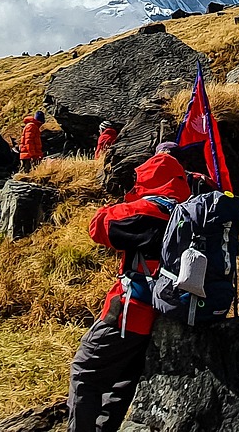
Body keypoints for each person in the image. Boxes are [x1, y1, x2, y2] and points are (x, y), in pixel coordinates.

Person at [68, 150, 190, 432]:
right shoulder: (190, 213)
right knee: (125, 378)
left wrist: (131, 200)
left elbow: (98, 226)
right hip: (170, 313)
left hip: (131, 310)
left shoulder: (146, 211)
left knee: (85, 371)